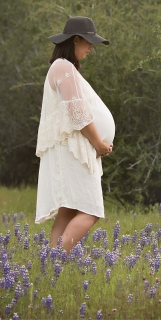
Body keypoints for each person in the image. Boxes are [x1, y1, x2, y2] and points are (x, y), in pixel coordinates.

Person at [35, 16, 115, 252]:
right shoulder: (63, 66)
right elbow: (77, 113)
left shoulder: (63, 68)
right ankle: (58, 258)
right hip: (71, 150)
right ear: (76, 40)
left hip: (71, 149)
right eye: (89, 42)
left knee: (68, 210)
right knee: (91, 210)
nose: (92, 48)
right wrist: (99, 143)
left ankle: (51, 264)